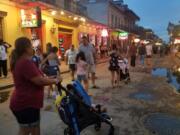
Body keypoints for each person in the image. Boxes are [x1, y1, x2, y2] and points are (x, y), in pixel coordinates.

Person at [9, 37, 60, 135]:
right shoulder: (25, 62)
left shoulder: (23, 61)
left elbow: (38, 76)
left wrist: (51, 77)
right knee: (27, 130)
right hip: (26, 104)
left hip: (27, 103)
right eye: (31, 45)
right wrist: (55, 80)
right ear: (26, 47)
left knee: (33, 128)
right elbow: (39, 81)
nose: (32, 48)